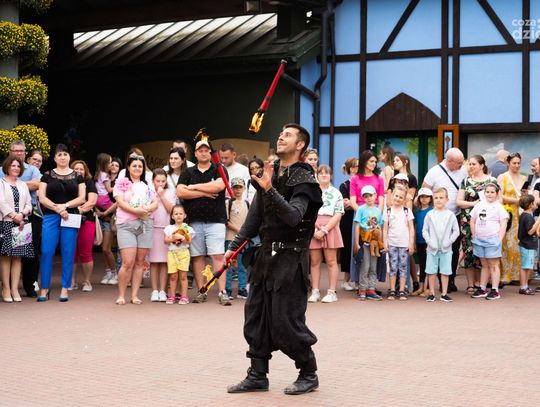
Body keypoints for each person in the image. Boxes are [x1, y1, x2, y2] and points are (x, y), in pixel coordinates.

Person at [226, 123, 322, 395]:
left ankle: (308, 373)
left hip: (291, 260)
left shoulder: (304, 178)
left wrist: (269, 189)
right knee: (255, 317)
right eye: (281, 133)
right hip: (265, 257)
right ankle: (257, 375)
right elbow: (255, 217)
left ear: (300, 145)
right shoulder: (270, 173)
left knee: (285, 321)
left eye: (288, 135)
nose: (281, 137)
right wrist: (234, 246)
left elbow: (294, 217)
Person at [177, 138, 231, 305]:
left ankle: (222, 292)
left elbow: (218, 187)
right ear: (195, 153)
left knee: (218, 256)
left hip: (216, 220)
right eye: (200, 150)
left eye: (206, 150)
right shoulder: (187, 172)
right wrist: (205, 192)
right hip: (194, 221)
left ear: (211, 153)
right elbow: (180, 192)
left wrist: (193, 187)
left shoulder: (219, 169)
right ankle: (202, 291)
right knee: (197, 257)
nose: (203, 153)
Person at [37, 144, 86, 302]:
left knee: (68, 252)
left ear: (69, 157)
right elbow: (42, 197)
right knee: (46, 251)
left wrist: (65, 206)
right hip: (51, 216)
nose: (62, 157)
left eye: (65, 154)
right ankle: (45, 287)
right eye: (59, 155)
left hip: (70, 216)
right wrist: (58, 209)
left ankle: (65, 287)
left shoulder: (78, 176)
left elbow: (82, 198)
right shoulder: (47, 175)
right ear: (54, 158)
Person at [113, 155, 157, 305]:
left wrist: (147, 209)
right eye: (134, 166)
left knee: (140, 262)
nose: (137, 168)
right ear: (128, 168)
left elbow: (155, 203)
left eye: (140, 166)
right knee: (127, 262)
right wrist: (135, 211)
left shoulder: (148, 184)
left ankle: (135, 295)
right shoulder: (121, 183)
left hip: (145, 225)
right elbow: (120, 202)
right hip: (126, 225)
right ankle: (121, 295)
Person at [422, 147, 467, 292]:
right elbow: (424, 191)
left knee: (453, 248)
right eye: (459, 163)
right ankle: (436, 280)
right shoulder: (434, 172)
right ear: (449, 161)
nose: (461, 165)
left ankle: (450, 279)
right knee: (436, 248)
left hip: (455, 214)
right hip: (437, 216)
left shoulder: (463, 170)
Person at [1, 140, 42, 297]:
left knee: (23, 255)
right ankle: (6, 288)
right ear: (9, 152)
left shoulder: (31, 171)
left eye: (22, 151)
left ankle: (23, 287)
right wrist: (13, 215)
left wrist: (21, 215)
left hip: (26, 219)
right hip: (5, 219)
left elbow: (37, 185)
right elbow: (1, 200)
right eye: (16, 151)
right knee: (6, 255)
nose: (19, 153)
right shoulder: (1, 175)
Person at [456, 155, 497, 294]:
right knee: (468, 251)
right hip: (468, 221)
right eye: (469, 164)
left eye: (474, 164)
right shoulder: (466, 181)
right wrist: (473, 204)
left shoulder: (492, 181)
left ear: (482, 165)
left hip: (486, 222)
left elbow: (499, 201)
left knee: (483, 252)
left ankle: (481, 283)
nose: (471, 166)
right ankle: (470, 284)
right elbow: (459, 201)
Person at [308, 165, 344, 303]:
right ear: (316, 175)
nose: (323, 175)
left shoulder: (336, 193)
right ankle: (315, 291)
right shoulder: (311, 192)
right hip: (314, 226)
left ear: (331, 176)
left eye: (326, 173)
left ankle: (331, 292)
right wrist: (314, 230)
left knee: (331, 261)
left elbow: (338, 213)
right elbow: (307, 212)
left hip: (330, 227)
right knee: (315, 261)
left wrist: (324, 230)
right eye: (321, 173)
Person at [470, 183, 508, 300]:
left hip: (493, 240)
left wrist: (499, 239)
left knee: (493, 265)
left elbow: (503, 224)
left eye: (492, 192)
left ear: (497, 194)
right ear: (484, 193)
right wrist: (474, 235)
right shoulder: (479, 205)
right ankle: (482, 288)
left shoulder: (499, 207)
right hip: (479, 239)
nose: (489, 194)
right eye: (487, 192)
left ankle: (495, 290)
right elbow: (472, 220)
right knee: (484, 265)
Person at [422, 188, 460, 302]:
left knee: (445, 271)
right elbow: (425, 231)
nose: (438, 200)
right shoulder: (429, 214)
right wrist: (430, 242)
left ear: (447, 199)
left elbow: (456, 231)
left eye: (441, 198)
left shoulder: (450, 215)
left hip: (446, 249)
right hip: (432, 249)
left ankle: (444, 293)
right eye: (436, 198)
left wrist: (449, 241)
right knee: (431, 271)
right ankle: (432, 293)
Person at [497, 152, 526, 285]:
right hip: (507, 213)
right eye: (514, 163)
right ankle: (505, 274)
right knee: (506, 243)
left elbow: (527, 195)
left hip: (522, 214)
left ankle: (517, 275)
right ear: (508, 163)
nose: (517, 165)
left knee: (518, 243)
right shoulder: (502, 177)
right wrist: (517, 200)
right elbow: (500, 196)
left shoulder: (524, 178)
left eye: (519, 163)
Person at [383, 186, 415, 300]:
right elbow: (385, 229)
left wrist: (411, 243)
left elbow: (411, 228)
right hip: (392, 243)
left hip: (404, 244)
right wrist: (385, 243)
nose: (398, 199)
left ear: (404, 199)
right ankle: (392, 290)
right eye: (396, 196)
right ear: (392, 196)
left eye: (401, 197)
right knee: (393, 267)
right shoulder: (388, 211)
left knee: (403, 267)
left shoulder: (407, 211)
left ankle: (401, 290)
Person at [70, 160, 98, 292]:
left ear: (85, 171)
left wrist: (78, 210)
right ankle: (72, 281)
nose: (79, 171)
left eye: (81, 169)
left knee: (85, 252)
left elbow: (92, 202)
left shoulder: (89, 183)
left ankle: (87, 281)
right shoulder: (67, 183)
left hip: (86, 220)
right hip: (69, 220)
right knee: (71, 252)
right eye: (76, 169)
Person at [149, 168, 176, 302]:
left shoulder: (170, 191)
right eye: (157, 181)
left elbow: (172, 210)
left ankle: (162, 290)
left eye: (163, 181)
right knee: (154, 262)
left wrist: (162, 196)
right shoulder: (148, 191)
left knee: (165, 262)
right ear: (153, 181)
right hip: (152, 229)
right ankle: (154, 290)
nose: (160, 184)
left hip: (166, 230)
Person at [353, 185, 383, 301]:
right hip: (364, 241)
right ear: (363, 198)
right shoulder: (361, 209)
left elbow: (379, 226)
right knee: (365, 265)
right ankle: (362, 289)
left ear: (375, 195)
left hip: (374, 242)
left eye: (370, 195)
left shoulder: (378, 211)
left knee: (373, 266)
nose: (369, 198)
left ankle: (371, 289)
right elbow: (357, 225)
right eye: (366, 196)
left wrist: (381, 242)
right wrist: (356, 242)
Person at [97, 156, 121, 285]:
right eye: (112, 163)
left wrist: (106, 212)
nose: (113, 166)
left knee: (107, 248)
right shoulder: (102, 177)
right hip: (100, 215)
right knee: (103, 248)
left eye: (116, 165)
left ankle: (115, 272)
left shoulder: (120, 181)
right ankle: (108, 272)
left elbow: (118, 201)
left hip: (111, 217)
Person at [225, 177, 250, 299]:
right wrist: (238, 230)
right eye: (235, 187)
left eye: (240, 187)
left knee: (243, 265)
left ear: (244, 188)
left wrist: (245, 232)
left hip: (244, 240)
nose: (237, 190)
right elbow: (226, 221)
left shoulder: (247, 203)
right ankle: (228, 289)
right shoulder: (229, 203)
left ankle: (242, 288)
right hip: (231, 237)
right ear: (231, 188)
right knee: (229, 265)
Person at [163, 205, 193, 304]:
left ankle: (184, 296)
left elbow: (189, 240)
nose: (178, 216)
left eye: (181, 213)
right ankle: (172, 295)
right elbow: (165, 240)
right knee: (173, 276)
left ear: (185, 215)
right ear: (172, 216)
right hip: (172, 253)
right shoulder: (169, 228)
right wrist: (173, 238)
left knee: (183, 276)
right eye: (176, 214)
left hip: (183, 253)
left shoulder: (187, 228)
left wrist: (183, 238)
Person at [339, 157, 358, 291]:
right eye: (357, 166)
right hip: (347, 219)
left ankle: (358, 279)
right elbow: (345, 204)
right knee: (347, 249)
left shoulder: (361, 183)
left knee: (359, 248)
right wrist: (356, 203)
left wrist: (353, 203)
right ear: (351, 169)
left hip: (360, 218)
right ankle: (346, 280)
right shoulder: (344, 185)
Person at [412, 188, 433, 297]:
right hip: (419, 241)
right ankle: (421, 287)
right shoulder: (417, 212)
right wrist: (414, 241)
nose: (424, 199)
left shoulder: (432, 211)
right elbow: (415, 227)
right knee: (422, 264)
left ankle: (428, 288)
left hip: (428, 242)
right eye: (422, 197)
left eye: (427, 197)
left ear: (430, 199)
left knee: (429, 264)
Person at [517, 195, 540, 295]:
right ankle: (523, 287)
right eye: (534, 202)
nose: (536, 203)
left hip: (526, 244)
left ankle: (525, 286)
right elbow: (530, 231)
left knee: (527, 267)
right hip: (527, 245)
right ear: (531, 204)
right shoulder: (528, 217)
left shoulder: (524, 215)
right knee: (525, 267)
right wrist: (538, 220)